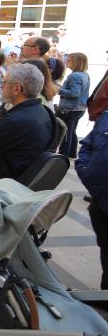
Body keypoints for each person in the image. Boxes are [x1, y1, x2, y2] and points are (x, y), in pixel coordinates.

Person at [75, 109, 108, 290]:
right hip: (101, 200)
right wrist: (86, 171)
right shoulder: (106, 116)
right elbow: (87, 145)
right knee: (106, 247)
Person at [56, 52, 90, 159]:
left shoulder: (75, 76)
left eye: (69, 60)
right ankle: (72, 153)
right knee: (72, 131)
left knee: (66, 132)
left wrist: (59, 90)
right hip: (80, 108)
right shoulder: (85, 75)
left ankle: (63, 154)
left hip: (70, 108)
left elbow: (75, 93)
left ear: (76, 62)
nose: (66, 61)